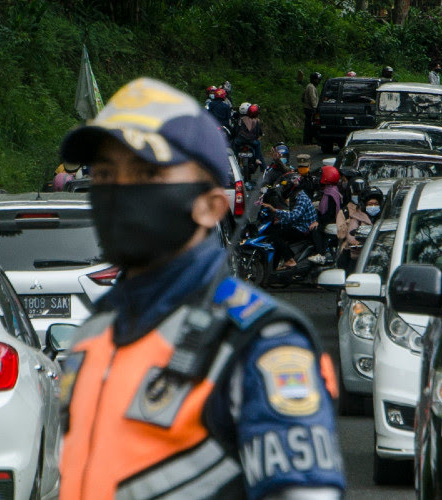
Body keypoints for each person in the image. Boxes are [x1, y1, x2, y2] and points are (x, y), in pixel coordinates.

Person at [57, 77, 345, 499]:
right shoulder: (93, 335)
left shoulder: (256, 343)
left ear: (212, 205)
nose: (118, 190)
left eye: (145, 172)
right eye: (104, 173)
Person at [261, 172, 318, 270]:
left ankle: (289, 259)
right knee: (274, 229)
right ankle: (275, 267)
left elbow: (293, 216)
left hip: (302, 229)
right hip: (298, 224)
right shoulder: (295, 197)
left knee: (276, 235)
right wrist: (279, 221)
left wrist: (275, 210)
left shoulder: (301, 198)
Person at [336, 184, 381, 272]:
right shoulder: (356, 218)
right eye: (370, 204)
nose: (373, 206)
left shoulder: (383, 217)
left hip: (378, 257)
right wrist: (354, 241)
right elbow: (350, 234)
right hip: (359, 257)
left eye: (376, 204)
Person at [308, 165, 342, 265]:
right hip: (327, 218)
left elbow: (330, 213)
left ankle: (320, 253)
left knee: (315, 230)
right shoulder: (329, 190)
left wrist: (318, 222)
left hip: (330, 220)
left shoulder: (332, 194)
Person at [233, 102, 264, 168]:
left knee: (234, 145)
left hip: (240, 140)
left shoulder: (240, 119)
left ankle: (234, 159)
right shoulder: (255, 120)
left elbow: (236, 130)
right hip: (252, 141)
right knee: (258, 144)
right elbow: (258, 132)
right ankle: (257, 159)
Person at [302, 72, 321, 144]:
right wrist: (315, 108)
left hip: (308, 108)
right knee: (310, 125)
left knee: (308, 125)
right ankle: (308, 140)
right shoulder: (311, 87)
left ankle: (308, 140)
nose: (318, 81)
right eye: (317, 80)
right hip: (310, 109)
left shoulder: (309, 86)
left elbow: (303, 96)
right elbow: (313, 98)